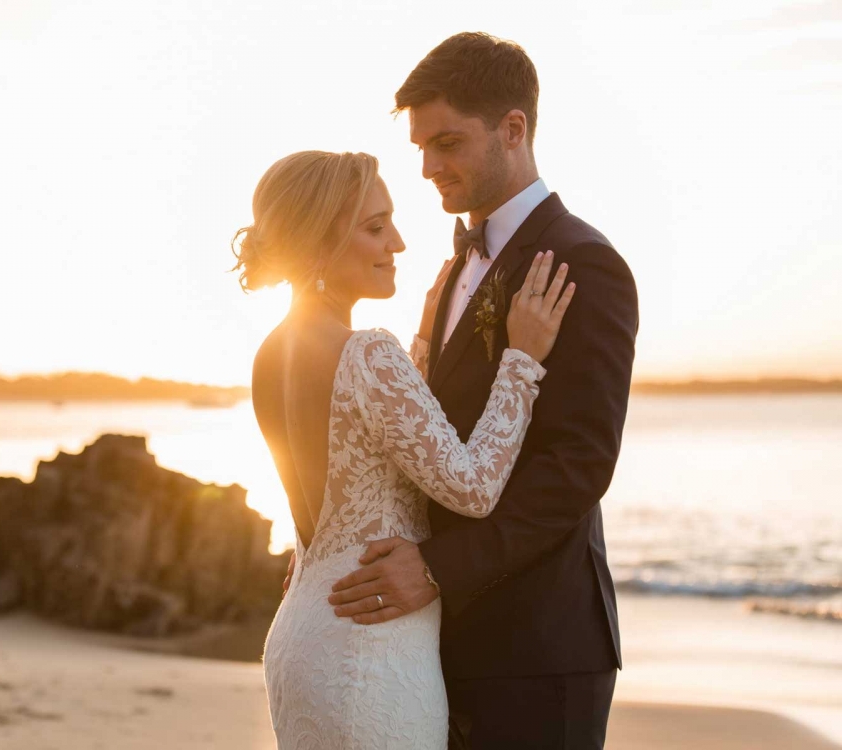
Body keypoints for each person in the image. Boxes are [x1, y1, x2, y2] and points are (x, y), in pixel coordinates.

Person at [327, 33, 639, 749]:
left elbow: (578, 465)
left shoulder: (584, 263)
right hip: (438, 641)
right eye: (422, 150)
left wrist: (435, 571)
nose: (431, 167)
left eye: (448, 143)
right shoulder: (451, 272)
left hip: (539, 648)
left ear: (514, 129)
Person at [236, 148, 574, 748]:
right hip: (370, 650)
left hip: (304, 638)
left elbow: (365, 443)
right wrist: (521, 360)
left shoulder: (272, 353)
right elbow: (472, 487)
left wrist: (419, 345)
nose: (397, 242)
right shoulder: (367, 352)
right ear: (318, 241)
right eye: (374, 227)